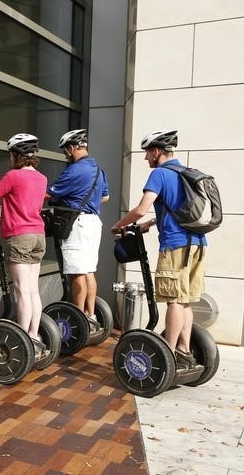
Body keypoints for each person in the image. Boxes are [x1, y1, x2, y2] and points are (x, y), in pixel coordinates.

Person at [111, 129, 205, 369]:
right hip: (197, 244)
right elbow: (177, 209)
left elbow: (141, 208)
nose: (146, 159)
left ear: (157, 151)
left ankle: (169, 356)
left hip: (175, 245)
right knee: (185, 301)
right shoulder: (185, 173)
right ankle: (184, 350)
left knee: (173, 300)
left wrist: (120, 224)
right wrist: (151, 223)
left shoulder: (160, 174)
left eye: (147, 153)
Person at [0, 134, 48, 356]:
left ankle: (22, 340)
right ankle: (34, 335)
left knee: (22, 292)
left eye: (11, 155)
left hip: (20, 238)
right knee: (33, 290)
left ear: (16, 155)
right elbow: (23, 204)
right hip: (38, 235)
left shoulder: (13, 176)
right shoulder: (42, 178)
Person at [46, 129, 110, 327]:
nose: (65, 154)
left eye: (66, 150)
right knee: (89, 270)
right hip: (94, 223)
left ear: (73, 147)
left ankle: (78, 318)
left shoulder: (74, 170)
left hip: (78, 224)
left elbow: (49, 195)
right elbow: (105, 197)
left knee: (76, 272)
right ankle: (90, 316)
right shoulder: (99, 169)